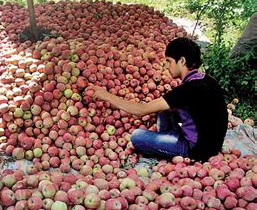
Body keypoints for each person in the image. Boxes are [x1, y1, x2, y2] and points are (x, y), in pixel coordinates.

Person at [89, 37, 228, 162]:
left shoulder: (188, 90)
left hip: (196, 151)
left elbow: (140, 111)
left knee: (137, 136)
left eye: (169, 61)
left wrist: (105, 95)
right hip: (211, 143)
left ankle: (170, 142)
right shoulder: (207, 80)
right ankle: (168, 138)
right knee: (163, 110)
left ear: (182, 61)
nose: (167, 66)